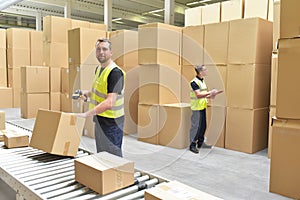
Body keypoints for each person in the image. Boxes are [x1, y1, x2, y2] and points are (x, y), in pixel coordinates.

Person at [76, 38, 125, 157]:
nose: (101, 52)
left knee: (113, 157)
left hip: (112, 123)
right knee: (102, 155)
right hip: (100, 120)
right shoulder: (98, 69)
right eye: (98, 49)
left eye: (104, 49)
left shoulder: (115, 73)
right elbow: (98, 92)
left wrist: (86, 114)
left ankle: (117, 176)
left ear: (111, 52)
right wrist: (85, 94)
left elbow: (109, 102)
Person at [189, 64, 222, 154]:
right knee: (196, 127)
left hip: (202, 107)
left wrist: (212, 95)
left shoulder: (202, 81)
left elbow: (204, 94)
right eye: (205, 70)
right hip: (196, 108)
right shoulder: (194, 82)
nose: (206, 71)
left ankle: (200, 143)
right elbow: (198, 95)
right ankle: (192, 145)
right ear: (200, 72)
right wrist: (210, 92)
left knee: (203, 126)